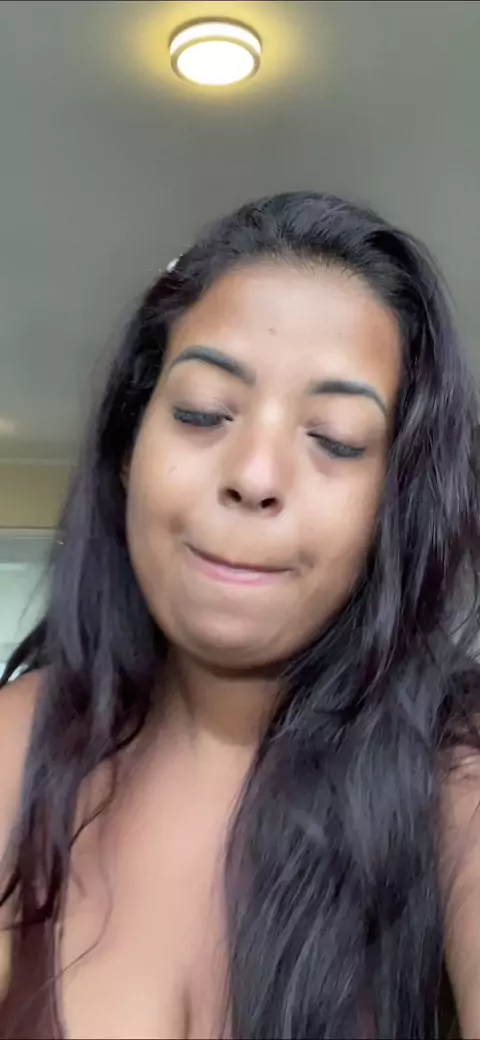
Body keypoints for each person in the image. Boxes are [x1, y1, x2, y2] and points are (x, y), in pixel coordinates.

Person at [0, 190, 479, 1040]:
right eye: (202, 412)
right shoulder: (15, 746)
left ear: (394, 507)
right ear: (128, 448)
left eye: (335, 439)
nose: (254, 474)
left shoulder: (457, 777)